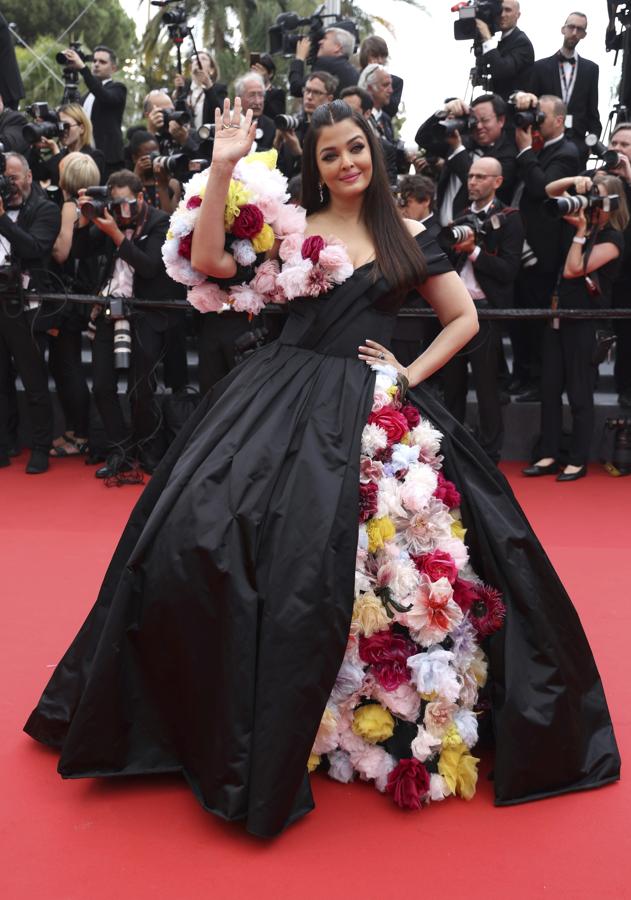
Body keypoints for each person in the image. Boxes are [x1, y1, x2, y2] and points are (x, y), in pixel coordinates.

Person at [24, 99, 620, 838]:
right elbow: (209, 263)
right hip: (272, 396)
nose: (346, 163)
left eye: (355, 149)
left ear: (374, 152)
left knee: (389, 554)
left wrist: (407, 375)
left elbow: (462, 318)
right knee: (207, 532)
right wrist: (222, 166)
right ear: (314, 166)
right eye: (330, 154)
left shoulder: (408, 234)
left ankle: (370, 698)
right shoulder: (290, 224)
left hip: (368, 403)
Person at [72, 170, 187, 477]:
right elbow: (79, 252)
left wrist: (116, 235)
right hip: (109, 309)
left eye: (126, 202)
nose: (121, 210)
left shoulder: (160, 221)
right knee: (102, 385)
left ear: (139, 198)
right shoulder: (110, 219)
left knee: (142, 389)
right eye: (115, 202)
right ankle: (119, 449)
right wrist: (85, 223)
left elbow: (150, 267)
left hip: (146, 312)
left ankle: (148, 450)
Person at [524, 172, 628, 480]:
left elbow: (573, 270)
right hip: (557, 318)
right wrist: (578, 181)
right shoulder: (575, 222)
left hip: (586, 323)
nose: (591, 201)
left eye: (598, 195)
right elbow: (548, 192)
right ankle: (548, 453)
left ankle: (578, 459)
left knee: (580, 393)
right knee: (550, 388)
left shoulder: (613, 238)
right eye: (591, 193)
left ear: (612, 203)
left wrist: (581, 231)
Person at [441, 157, 523, 462]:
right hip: (454, 310)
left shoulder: (510, 217)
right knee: (452, 385)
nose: (472, 182)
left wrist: (474, 250)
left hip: (486, 312)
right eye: (471, 176)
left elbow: (509, 270)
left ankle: (490, 454)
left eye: (480, 177)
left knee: (488, 387)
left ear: (497, 182)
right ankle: (449, 448)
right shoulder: (462, 216)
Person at [510, 93, 580, 401]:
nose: (536, 121)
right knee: (518, 315)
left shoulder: (567, 152)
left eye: (542, 116)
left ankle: (537, 381)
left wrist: (525, 149)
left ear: (559, 120)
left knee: (536, 319)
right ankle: (522, 374)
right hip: (521, 247)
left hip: (544, 251)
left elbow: (541, 190)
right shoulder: (540, 149)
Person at [0, 152, 61, 473]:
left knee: (34, 379)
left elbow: (35, 249)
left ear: (27, 176)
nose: (9, 183)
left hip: (26, 307)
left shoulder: (45, 209)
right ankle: (5, 442)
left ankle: (41, 446)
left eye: (13, 177)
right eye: (4, 177)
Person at [47, 152, 101, 458]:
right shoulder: (90, 206)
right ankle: (75, 430)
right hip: (81, 293)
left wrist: (47, 242)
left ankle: (78, 434)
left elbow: (62, 253)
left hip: (68, 298)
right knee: (66, 364)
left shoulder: (69, 207)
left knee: (66, 365)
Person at [415, 93, 518, 225]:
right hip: (439, 229)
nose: (479, 126)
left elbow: (477, 186)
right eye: (475, 121)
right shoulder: (462, 140)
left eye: (485, 120)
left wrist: (458, 149)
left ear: (501, 121)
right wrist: (443, 112)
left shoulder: (508, 154)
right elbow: (423, 138)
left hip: (473, 235)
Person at [528, 12, 601, 164]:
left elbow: (592, 111)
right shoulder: (540, 67)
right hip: (545, 142)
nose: (574, 33)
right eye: (571, 27)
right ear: (563, 29)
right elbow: (532, 104)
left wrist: (589, 145)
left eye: (579, 29)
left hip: (578, 146)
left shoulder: (591, 69)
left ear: (584, 34)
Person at [63, 44, 127, 176]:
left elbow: (104, 96)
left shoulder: (118, 88)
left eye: (102, 62)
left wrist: (82, 68)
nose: (96, 64)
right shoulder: (87, 95)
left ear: (113, 68)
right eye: (94, 61)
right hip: (85, 156)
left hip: (109, 159)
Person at [606, 123, 631, 408]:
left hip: (628, 275)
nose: (618, 150)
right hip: (601, 271)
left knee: (627, 336)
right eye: (614, 144)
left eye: (625, 145)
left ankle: (626, 388)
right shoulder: (597, 177)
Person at [275, 71, 337, 178]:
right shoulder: (294, 127)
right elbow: (280, 171)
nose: (309, 97)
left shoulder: (334, 131)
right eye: (307, 90)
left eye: (316, 92)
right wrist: (277, 144)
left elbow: (326, 174)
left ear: (329, 99)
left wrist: (299, 153)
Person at [29, 103, 106, 186]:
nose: (63, 130)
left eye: (66, 125)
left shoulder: (95, 157)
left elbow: (71, 184)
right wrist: (35, 145)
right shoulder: (61, 154)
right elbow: (34, 174)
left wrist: (55, 151)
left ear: (82, 128)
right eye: (59, 126)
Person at [474, 0, 534, 100]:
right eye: (500, 10)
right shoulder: (505, 40)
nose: (502, 15)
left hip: (514, 109)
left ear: (518, 15)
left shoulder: (522, 42)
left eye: (508, 10)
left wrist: (486, 37)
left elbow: (501, 70)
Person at [289, 27, 358, 99]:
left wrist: (299, 58)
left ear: (337, 47)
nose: (320, 42)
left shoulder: (327, 64)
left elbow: (296, 88)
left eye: (325, 38)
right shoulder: (353, 71)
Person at [172, 49, 228, 131]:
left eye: (203, 59)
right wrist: (177, 93)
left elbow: (220, 112)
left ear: (211, 70)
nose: (197, 61)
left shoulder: (219, 89)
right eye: (195, 59)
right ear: (191, 68)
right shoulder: (185, 90)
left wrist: (208, 86)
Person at [358, 35, 403, 118]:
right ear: (365, 57)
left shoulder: (395, 82)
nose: (380, 60)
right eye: (375, 56)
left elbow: (391, 111)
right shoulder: (354, 76)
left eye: (383, 56)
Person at [234, 72, 275, 151]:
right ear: (239, 98)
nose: (257, 102)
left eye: (260, 95)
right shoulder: (228, 124)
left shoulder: (271, 127)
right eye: (252, 95)